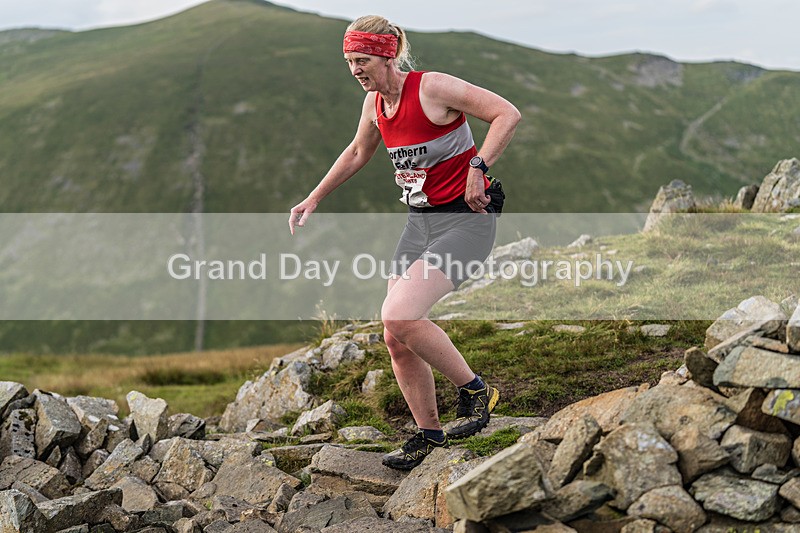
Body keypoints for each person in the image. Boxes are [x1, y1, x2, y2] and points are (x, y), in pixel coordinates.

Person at [289, 15, 521, 470]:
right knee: (394, 335)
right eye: (349, 61)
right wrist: (314, 197)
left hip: (466, 219)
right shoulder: (375, 104)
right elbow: (359, 151)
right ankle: (429, 436)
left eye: (363, 59)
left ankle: (478, 392)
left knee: (400, 312)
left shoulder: (431, 87)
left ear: (388, 53)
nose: (356, 69)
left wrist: (478, 167)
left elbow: (506, 113)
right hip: (420, 223)